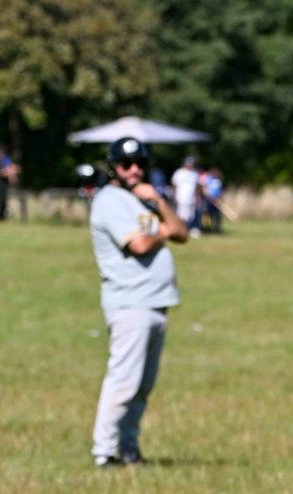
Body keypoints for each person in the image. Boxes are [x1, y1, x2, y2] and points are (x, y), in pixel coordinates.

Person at [87, 136, 188, 467]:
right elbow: (141, 244)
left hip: (156, 302)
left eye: (140, 164)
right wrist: (161, 231)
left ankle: (129, 449)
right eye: (126, 163)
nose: (133, 170)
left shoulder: (144, 200)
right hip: (131, 303)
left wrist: (158, 202)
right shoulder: (109, 200)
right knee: (123, 382)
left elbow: (182, 232)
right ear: (113, 166)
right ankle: (104, 452)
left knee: (143, 386)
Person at [171, 155, 201, 234]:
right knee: (181, 215)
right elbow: (175, 185)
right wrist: (175, 196)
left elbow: (196, 187)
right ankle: (181, 230)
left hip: (191, 198)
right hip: (181, 197)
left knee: (190, 216)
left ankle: (187, 230)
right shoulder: (179, 173)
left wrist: (197, 197)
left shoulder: (194, 174)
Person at [201, 167, 225, 235]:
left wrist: (219, 198)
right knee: (207, 215)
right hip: (208, 200)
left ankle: (216, 229)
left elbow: (220, 191)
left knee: (217, 215)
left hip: (216, 201)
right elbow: (204, 189)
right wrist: (209, 197)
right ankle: (206, 228)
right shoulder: (208, 179)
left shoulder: (218, 181)